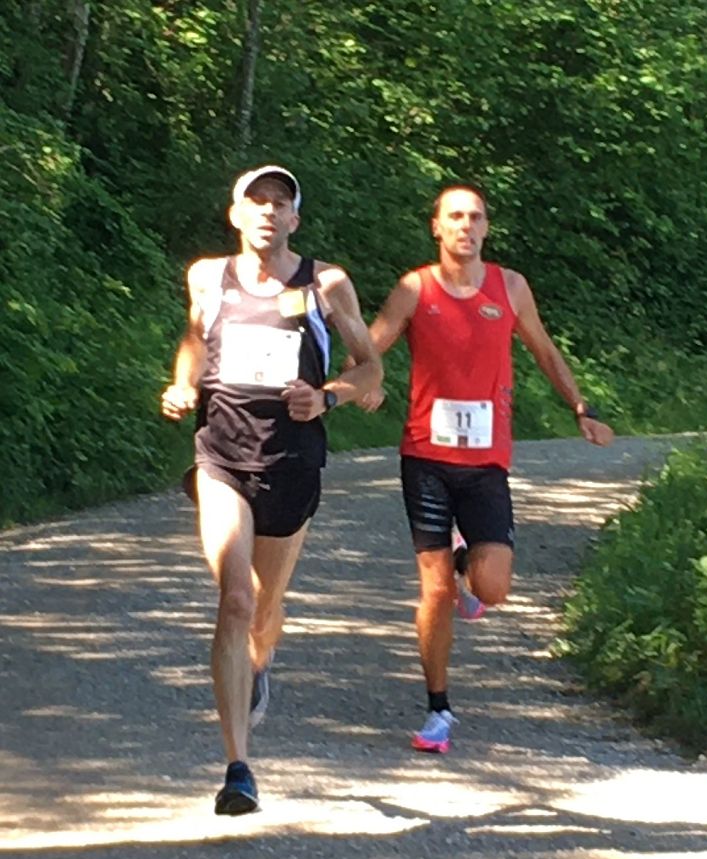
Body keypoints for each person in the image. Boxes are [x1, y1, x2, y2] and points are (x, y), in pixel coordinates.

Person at [359, 183, 614, 753]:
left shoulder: (510, 286)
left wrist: (581, 407)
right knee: (435, 593)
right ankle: (439, 710)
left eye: (475, 217)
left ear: (486, 228)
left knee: (493, 589)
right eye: (455, 216)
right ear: (436, 226)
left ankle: (464, 561)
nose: (466, 226)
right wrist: (360, 381)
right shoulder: (415, 287)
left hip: (486, 461)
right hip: (426, 456)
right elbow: (371, 344)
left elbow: (545, 351)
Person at [161, 165, 382, 815]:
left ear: (294, 220)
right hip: (221, 456)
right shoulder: (208, 276)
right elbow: (194, 341)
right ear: (235, 215)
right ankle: (238, 768)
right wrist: (183, 384)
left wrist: (329, 396)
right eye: (255, 201)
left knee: (264, 604)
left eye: (279, 203)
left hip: (291, 462)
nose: (267, 211)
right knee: (234, 599)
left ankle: (259, 665)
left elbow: (370, 367)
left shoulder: (325, 283)